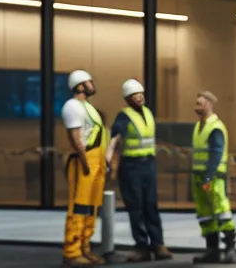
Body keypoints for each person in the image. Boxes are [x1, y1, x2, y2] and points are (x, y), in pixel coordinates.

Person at [104, 79, 173, 262]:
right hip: (131, 167)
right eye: (136, 95)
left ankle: (158, 245)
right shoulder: (123, 116)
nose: (140, 97)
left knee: (151, 205)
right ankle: (142, 247)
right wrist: (108, 159)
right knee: (136, 207)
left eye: (141, 93)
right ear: (128, 98)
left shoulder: (148, 113)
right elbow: (115, 139)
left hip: (148, 165)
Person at [61, 69, 109, 268]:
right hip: (85, 161)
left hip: (96, 161)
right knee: (79, 206)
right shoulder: (73, 106)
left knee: (91, 207)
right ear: (80, 86)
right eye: (88, 81)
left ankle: (85, 248)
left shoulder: (87, 107)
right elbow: (75, 137)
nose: (92, 84)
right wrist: (84, 161)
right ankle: (72, 252)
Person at [189, 91, 236, 264]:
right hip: (200, 176)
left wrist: (208, 177)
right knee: (205, 214)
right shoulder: (199, 125)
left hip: (213, 177)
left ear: (209, 104)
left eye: (199, 103)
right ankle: (212, 249)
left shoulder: (214, 127)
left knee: (221, 211)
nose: (196, 107)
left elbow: (216, 154)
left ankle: (230, 248)